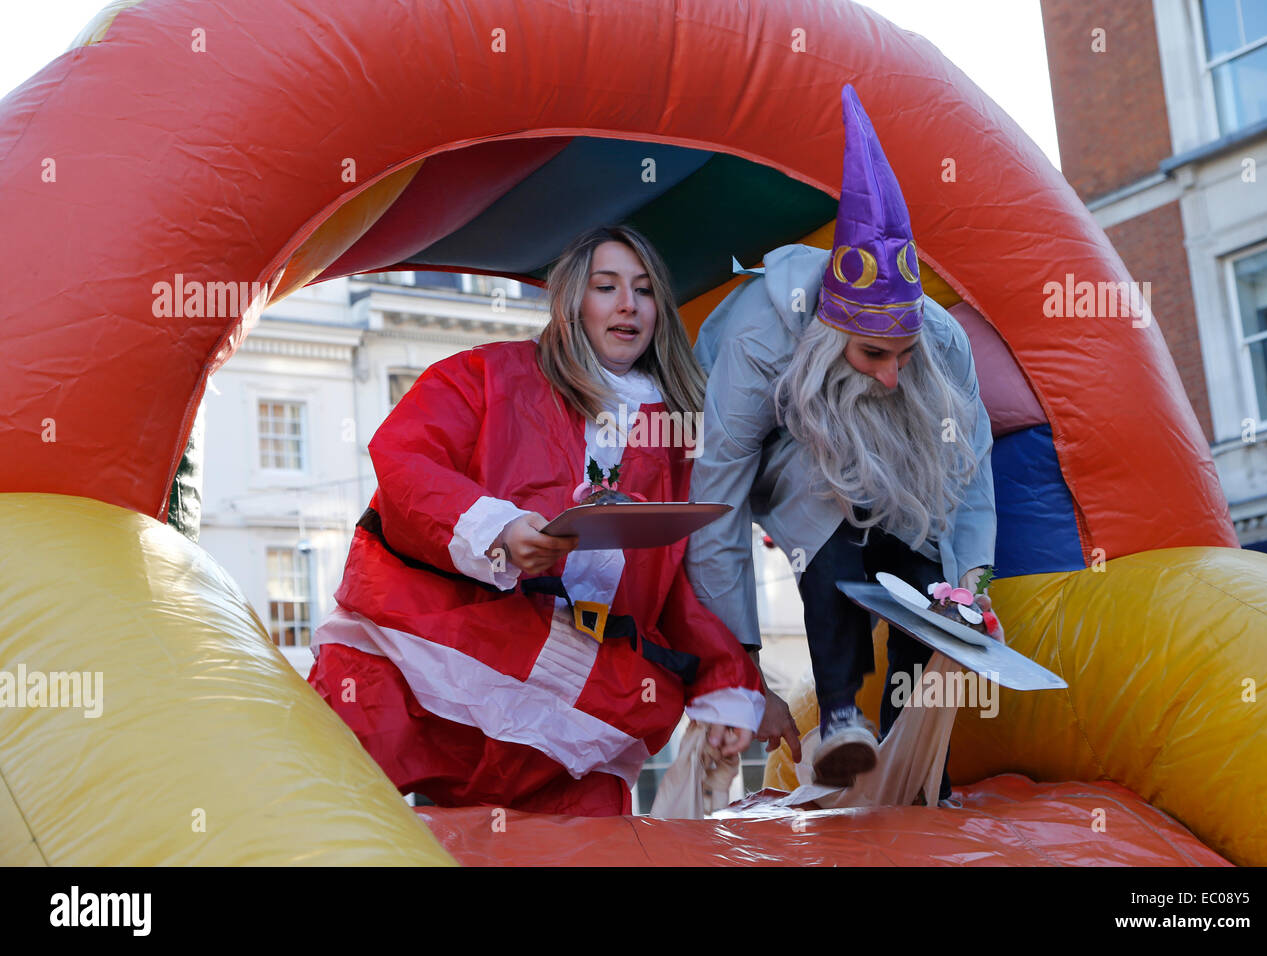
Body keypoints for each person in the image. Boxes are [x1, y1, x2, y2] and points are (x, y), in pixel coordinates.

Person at [308, 225, 764, 817]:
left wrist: (726, 682)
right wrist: (498, 529)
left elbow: (677, 585)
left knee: (588, 852)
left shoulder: (675, 438)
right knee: (330, 822)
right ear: (572, 300)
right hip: (423, 667)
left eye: (645, 290)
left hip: (577, 725)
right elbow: (406, 461)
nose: (628, 304)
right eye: (607, 287)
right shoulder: (486, 377)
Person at [686, 86, 998, 800]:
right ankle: (839, 716)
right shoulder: (759, 340)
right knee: (831, 513)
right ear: (832, 340)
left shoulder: (941, 343)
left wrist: (971, 586)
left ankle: (914, 762)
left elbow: (970, 473)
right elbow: (718, 495)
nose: (892, 376)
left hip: (891, 460)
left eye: (903, 354)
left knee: (924, 570)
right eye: (872, 356)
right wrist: (742, 665)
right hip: (787, 450)